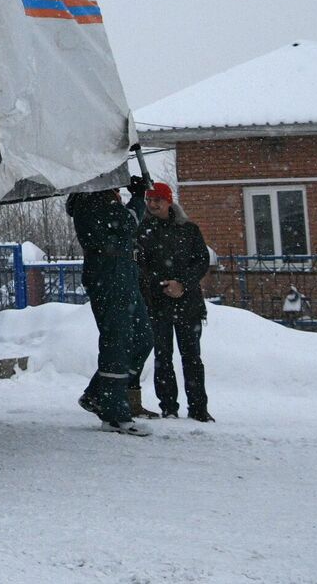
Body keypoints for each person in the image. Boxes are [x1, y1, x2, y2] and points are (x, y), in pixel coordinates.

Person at [67, 187, 154, 436]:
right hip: (110, 275)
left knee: (142, 338)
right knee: (117, 342)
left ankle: (98, 394)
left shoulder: (103, 200)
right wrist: (137, 198)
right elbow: (129, 222)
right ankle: (114, 411)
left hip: (123, 273)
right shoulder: (91, 199)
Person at [134, 181, 213, 421]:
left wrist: (182, 284)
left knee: (192, 357)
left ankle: (198, 408)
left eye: (157, 199)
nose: (152, 204)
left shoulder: (188, 229)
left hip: (188, 304)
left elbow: (201, 261)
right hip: (157, 304)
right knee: (162, 357)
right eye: (149, 200)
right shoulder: (143, 230)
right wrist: (162, 285)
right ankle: (168, 406)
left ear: (169, 201)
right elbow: (141, 266)